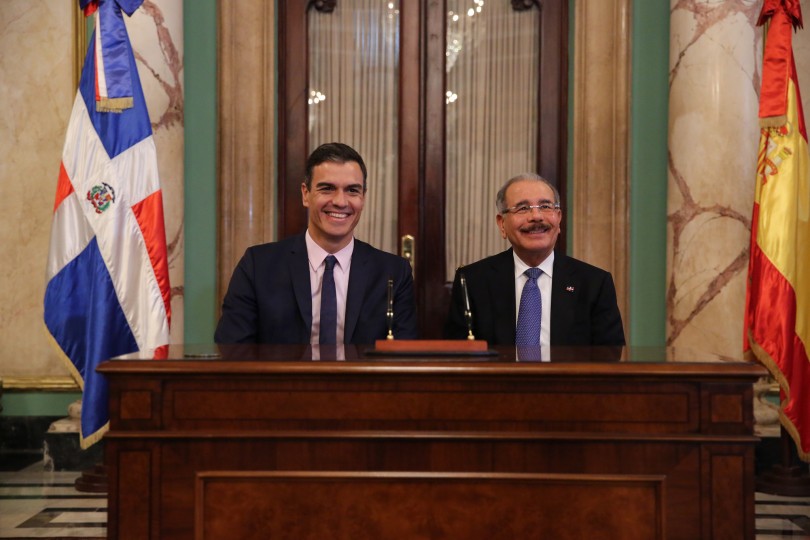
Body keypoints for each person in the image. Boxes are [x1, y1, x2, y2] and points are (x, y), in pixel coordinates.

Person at [215, 142, 417, 344]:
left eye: (352, 190)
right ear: (305, 194)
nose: (340, 201)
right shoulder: (258, 266)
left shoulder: (394, 273)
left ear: (363, 197)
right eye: (327, 188)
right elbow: (233, 349)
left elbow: (402, 358)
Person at [444, 173, 625, 347]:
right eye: (523, 208)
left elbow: (608, 358)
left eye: (545, 207)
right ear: (502, 224)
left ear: (559, 218)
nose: (536, 217)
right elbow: (460, 355)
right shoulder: (472, 281)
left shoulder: (594, 283)